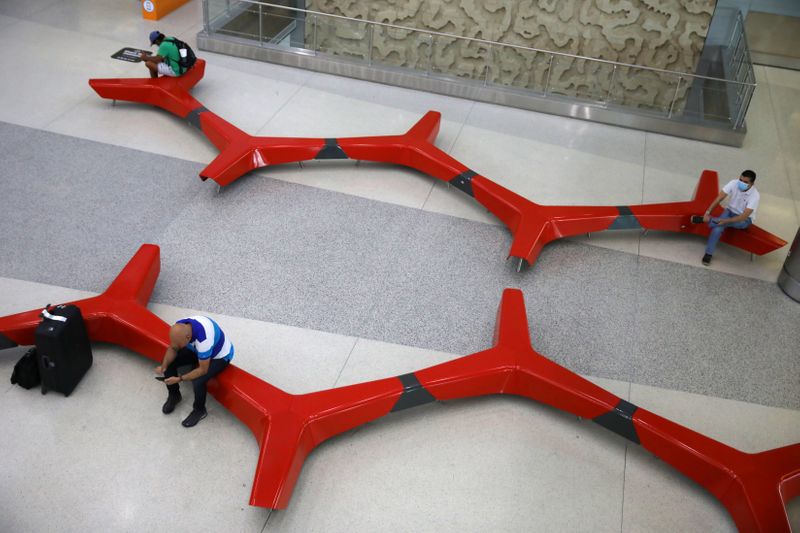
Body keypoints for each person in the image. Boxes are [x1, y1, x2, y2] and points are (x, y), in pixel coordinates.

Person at [154, 316, 234, 427]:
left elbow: (202, 370)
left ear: (188, 337)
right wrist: (164, 366)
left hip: (219, 356)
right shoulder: (180, 326)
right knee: (168, 362)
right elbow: (173, 348)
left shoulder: (203, 339)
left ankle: (200, 410)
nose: (177, 346)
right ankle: (174, 395)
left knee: (198, 380)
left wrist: (180, 379)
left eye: (180, 344)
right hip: (197, 351)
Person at [691, 170, 760, 266]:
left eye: (745, 182)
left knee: (736, 223)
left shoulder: (755, 196)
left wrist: (724, 221)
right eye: (740, 180)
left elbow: (744, 216)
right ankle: (708, 254)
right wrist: (708, 212)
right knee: (717, 229)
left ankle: (708, 220)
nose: (741, 183)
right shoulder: (733, 183)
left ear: (752, 183)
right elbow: (719, 198)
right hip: (729, 211)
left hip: (744, 219)